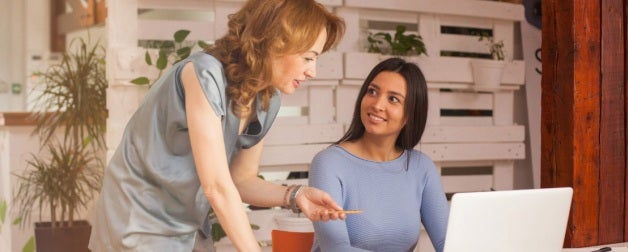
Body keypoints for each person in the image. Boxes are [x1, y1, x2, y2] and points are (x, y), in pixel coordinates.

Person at [88, 0, 346, 251]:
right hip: (137, 220)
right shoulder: (204, 74)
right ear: (275, 43)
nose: (313, 71)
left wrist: (296, 195)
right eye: (308, 58)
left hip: (187, 225)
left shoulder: (266, 99)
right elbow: (216, 188)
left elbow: (241, 180)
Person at [308, 57, 450, 252]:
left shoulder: (421, 167)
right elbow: (336, 248)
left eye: (393, 99)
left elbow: (449, 244)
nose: (377, 105)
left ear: (410, 114)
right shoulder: (329, 163)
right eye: (372, 92)